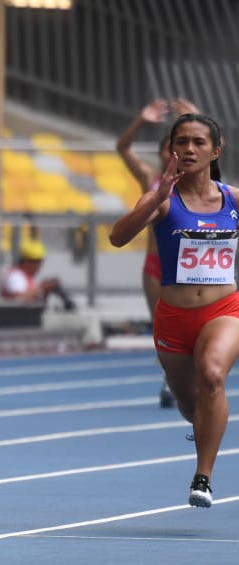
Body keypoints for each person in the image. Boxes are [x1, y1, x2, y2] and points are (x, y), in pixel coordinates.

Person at [109, 112, 237, 508]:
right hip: (175, 317)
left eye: (198, 143)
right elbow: (117, 237)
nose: (189, 149)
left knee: (213, 374)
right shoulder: (163, 200)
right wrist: (155, 197)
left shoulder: (232, 199)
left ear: (215, 150)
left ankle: (203, 477)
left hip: (224, 308)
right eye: (181, 142)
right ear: (171, 150)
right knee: (190, 403)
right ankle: (199, 420)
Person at [116, 98, 199, 408]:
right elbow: (122, 148)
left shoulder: (199, 184)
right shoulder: (150, 178)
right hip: (156, 266)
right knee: (164, 331)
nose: (174, 154)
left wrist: (195, 116)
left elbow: (217, 144)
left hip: (190, 268)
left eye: (180, 147)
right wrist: (141, 119)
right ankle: (171, 381)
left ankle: (190, 378)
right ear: (163, 152)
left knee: (194, 327)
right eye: (169, 148)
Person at [1, 239, 75, 310]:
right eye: (37, 262)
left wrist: (45, 292)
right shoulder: (16, 276)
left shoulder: (29, 278)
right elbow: (18, 301)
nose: (39, 266)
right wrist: (41, 288)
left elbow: (34, 304)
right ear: (27, 261)